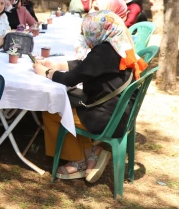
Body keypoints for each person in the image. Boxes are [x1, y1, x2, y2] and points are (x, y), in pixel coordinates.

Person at [32, 11, 148, 181]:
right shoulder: (117, 45)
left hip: (106, 119)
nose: (85, 35)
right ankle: (92, 152)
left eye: (87, 31)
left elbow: (71, 79)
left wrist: (47, 72)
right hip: (119, 111)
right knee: (68, 102)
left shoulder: (103, 52)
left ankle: (78, 160)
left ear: (97, 30)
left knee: (51, 111)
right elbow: (87, 66)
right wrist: (58, 64)